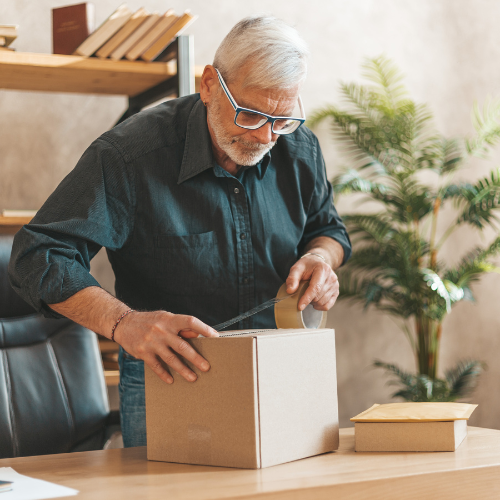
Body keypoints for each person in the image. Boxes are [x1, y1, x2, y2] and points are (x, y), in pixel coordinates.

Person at [8, 15, 351, 447]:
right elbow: (37, 255)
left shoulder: (299, 149)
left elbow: (327, 229)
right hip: (170, 377)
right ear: (209, 84)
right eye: (249, 114)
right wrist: (124, 322)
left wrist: (320, 259)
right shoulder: (130, 156)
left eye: (281, 120)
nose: (265, 136)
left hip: (281, 371)